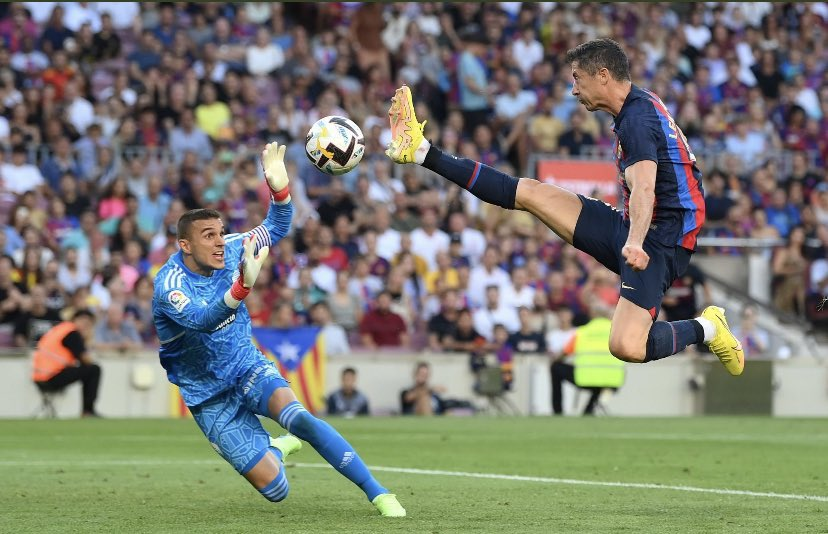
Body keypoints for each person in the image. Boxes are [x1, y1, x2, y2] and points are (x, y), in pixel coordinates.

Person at [385, 38, 744, 382]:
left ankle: (708, 328)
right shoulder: (638, 106)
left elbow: (645, 188)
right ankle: (422, 151)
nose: (573, 90)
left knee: (626, 345)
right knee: (530, 193)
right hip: (634, 228)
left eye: (577, 78)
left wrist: (635, 242)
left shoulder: (637, 120)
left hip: (659, 243)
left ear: (603, 75)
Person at [151, 143, 404, 517]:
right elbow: (203, 321)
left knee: (300, 418)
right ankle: (276, 447)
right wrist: (241, 289)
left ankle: (378, 493)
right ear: (185, 245)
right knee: (276, 490)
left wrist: (280, 189)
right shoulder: (169, 285)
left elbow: (278, 225)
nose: (219, 242)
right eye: (208, 236)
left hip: (246, 366)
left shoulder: (233, 248)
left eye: (220, 232)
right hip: (206, 394)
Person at [551, 304, 624, 416]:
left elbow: (564, 353)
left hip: (585, 379)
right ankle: (589, 411)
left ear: (592, 315)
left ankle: (558, 411)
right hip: (612, 381)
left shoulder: (582, 332)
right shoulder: (617, 331)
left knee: (555, 367)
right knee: (601, 383)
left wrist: (555, 359)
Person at [31, 309, 101, 417]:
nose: (85, 327)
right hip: (51, 376)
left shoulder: (61, 329)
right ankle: (88, 411)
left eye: (88, 325)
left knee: (88, 370)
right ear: (75, 320)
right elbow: (86, 360)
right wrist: (88, 339)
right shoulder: (73, 333)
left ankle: (87, 411)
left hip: (39, 376)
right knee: (94, 369)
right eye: (84, 323)